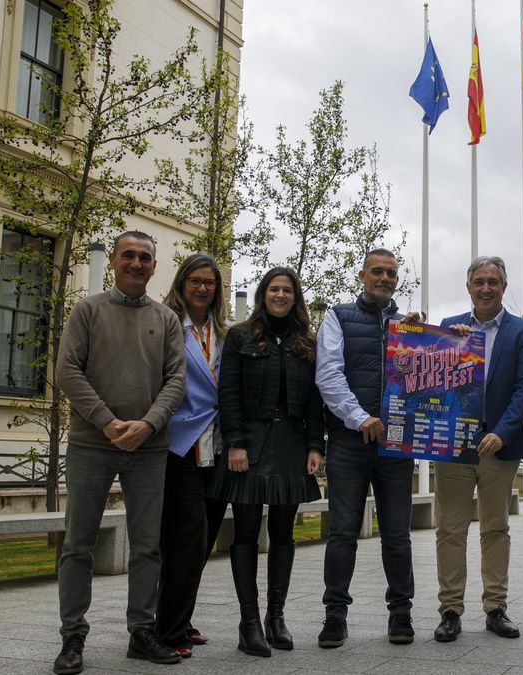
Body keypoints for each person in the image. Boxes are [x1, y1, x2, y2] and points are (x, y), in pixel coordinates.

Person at [52, 231, 186, 674]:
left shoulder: (166, 319)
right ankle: (72, 637)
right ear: (113, 259)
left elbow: (175, 381)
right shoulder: (87, 311)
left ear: (154, 265)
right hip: (93, 444)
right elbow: (67, 371)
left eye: (145, 257)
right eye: (128, 255)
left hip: (149, 450)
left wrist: (147, 424)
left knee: (147, 546)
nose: (136, 263)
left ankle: (141, 632)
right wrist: (108, 422)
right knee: (78, 544)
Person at [209, 267, 324, 656]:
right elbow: (229, 394)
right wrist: (235, 443)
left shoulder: (306, 341)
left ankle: (277, 618)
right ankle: (249, 622)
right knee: (244, 534)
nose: (280, 295)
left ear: (295, 296)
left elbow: (313, 400)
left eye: (287, 290)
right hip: (249, 448)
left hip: (292, 446)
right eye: (274, 289)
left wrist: (315, 445)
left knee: (284, 534)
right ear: (263, 294)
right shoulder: (240, 336)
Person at [432, 256, 523, 643]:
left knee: (495, 528)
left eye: (493, 281)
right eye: (479, 281)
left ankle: (496, 608)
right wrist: (450, 347)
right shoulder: (448, 328)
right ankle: (450, 611)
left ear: (503, 287)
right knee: (450, 530)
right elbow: (430, 381)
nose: (486, 288)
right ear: (469, 287)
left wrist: (503, 432)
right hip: (455, 448)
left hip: (498, 447)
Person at [314, 248, 415, 648]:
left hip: (395, 447)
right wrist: (359, 418)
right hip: (349, 442)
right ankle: (334, 617)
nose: (385, 278)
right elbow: (328, 374)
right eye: (378, 272)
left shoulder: (410, 326)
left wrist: (445, 342)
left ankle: (401, 615)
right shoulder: (338, 317)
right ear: (362, 275)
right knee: (342, 535)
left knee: (398, 536)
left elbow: (432, 377)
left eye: (392, 273)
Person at [155, 253, 228, 658]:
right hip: (179, 442)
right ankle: (168, 630)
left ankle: (179, 617)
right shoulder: (167, 325)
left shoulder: (224, 330)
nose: (203, 288)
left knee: (204, 541)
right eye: (196, 281)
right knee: (186, 538)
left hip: (216, 447)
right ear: (183, 283)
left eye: (210, 283)